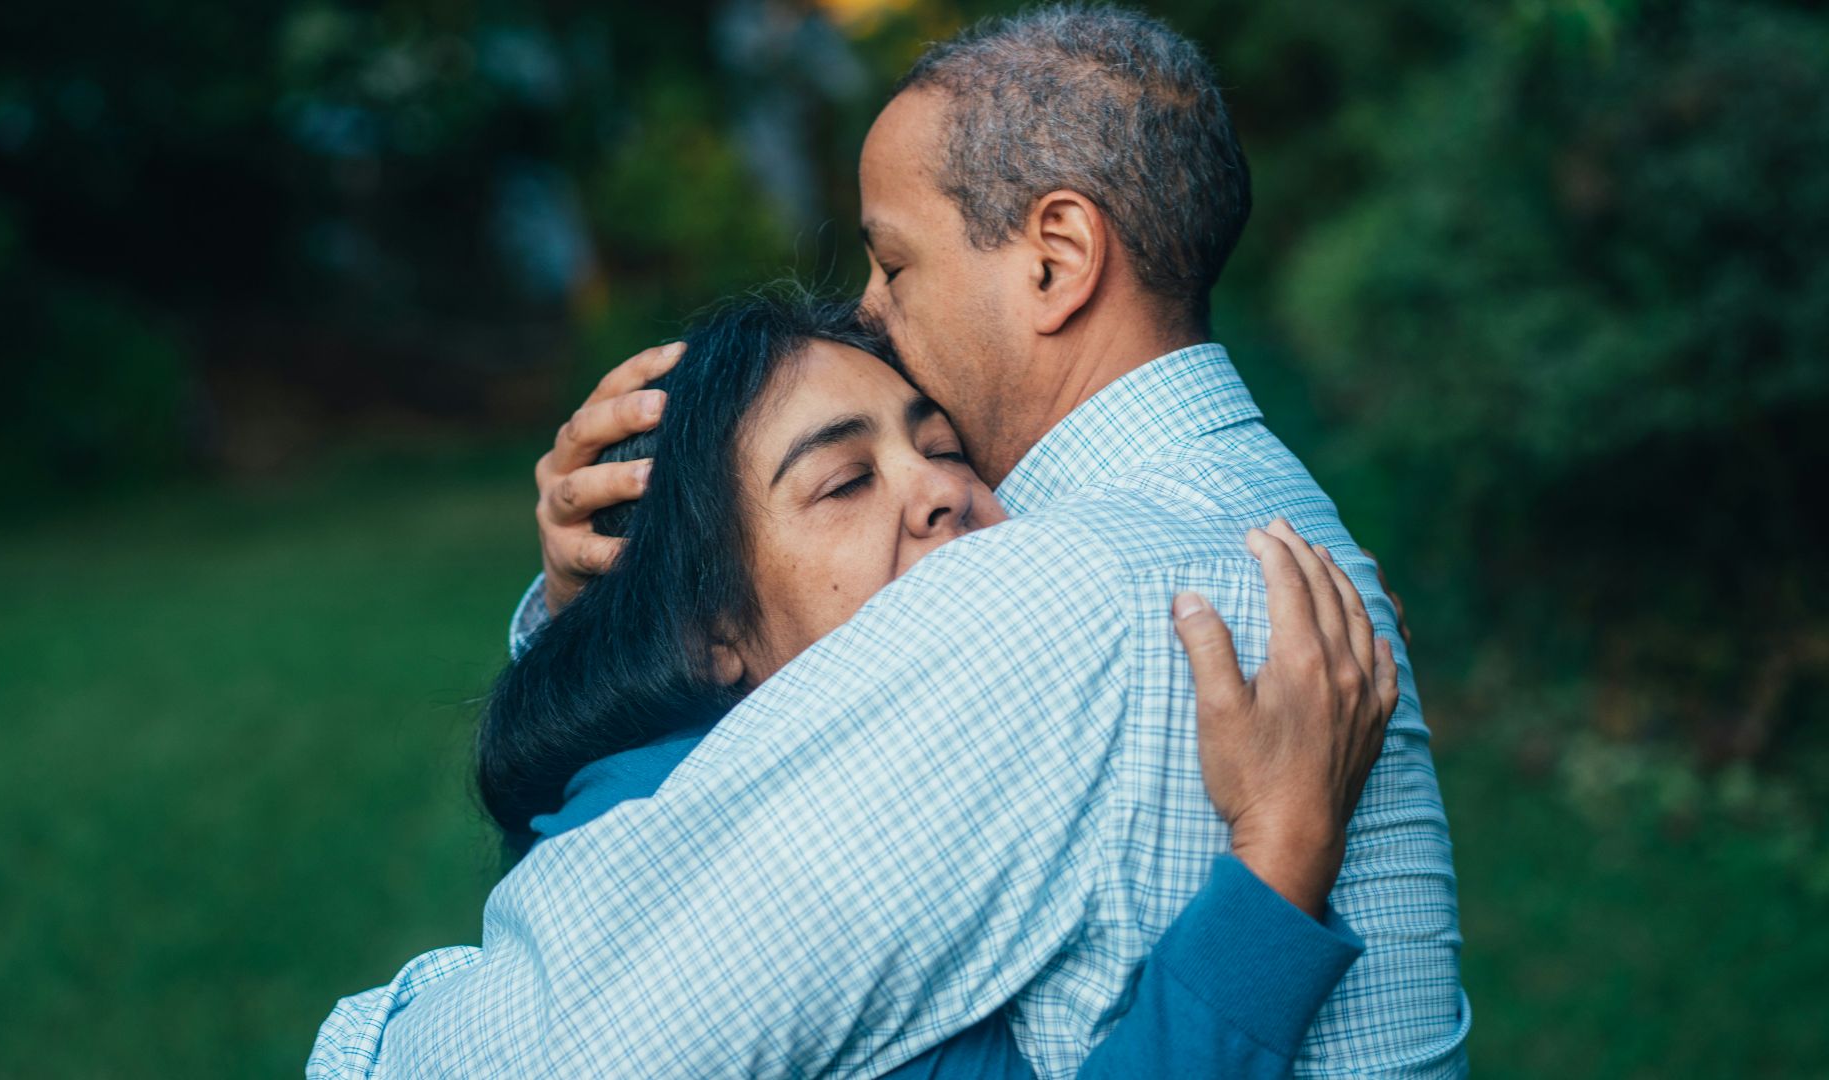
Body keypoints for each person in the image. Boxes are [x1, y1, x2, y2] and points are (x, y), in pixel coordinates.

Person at [319, 7, 1468, 1076]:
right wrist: (601, 612)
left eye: (895, 260)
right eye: (844, 478)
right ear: (708, 624)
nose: (870, 308)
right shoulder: (1281, 528)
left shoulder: (1050, 595)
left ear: (1057, 257)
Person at [478, 294, 1389, 1078]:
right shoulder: (792, 895)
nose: (941, 490)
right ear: (708, 630)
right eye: (844, 483)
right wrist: (1282, 851)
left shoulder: (632, 794)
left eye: (947, 447)